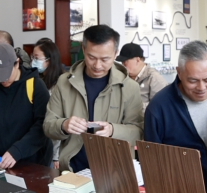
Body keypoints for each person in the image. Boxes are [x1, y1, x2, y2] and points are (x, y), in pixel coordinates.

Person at [44, 25, 144, 172]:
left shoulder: (129, 87)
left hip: (114, 170)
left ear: (116, 54)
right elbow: (48, 126)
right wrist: (64, 125)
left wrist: (113, 130)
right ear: (83, 49)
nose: (97, 65)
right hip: (72, 169)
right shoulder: (64, 82)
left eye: (105, 59)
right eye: (91, 57)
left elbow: (138, 132)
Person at [144, 41, 207, 193]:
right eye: (193, 81)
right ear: (179, 72)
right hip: (182, 192)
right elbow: (153, 161)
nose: (201, 87)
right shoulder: (159, 107)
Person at [32, 39, 67, 168]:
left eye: (37, 58)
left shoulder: (61, 84)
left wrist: (55, 156)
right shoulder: (38, 80)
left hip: (54, 148)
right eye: (32, 57)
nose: (33, 61)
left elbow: (59, 120)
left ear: (49, 60)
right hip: (38, 142)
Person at [118, 43, 168, 110]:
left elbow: (160, 106)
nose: (123, 65)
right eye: (122, 62)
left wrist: (132, 105)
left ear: (137, 60)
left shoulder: (154, 78)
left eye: (125, 62)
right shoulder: (124, 77)